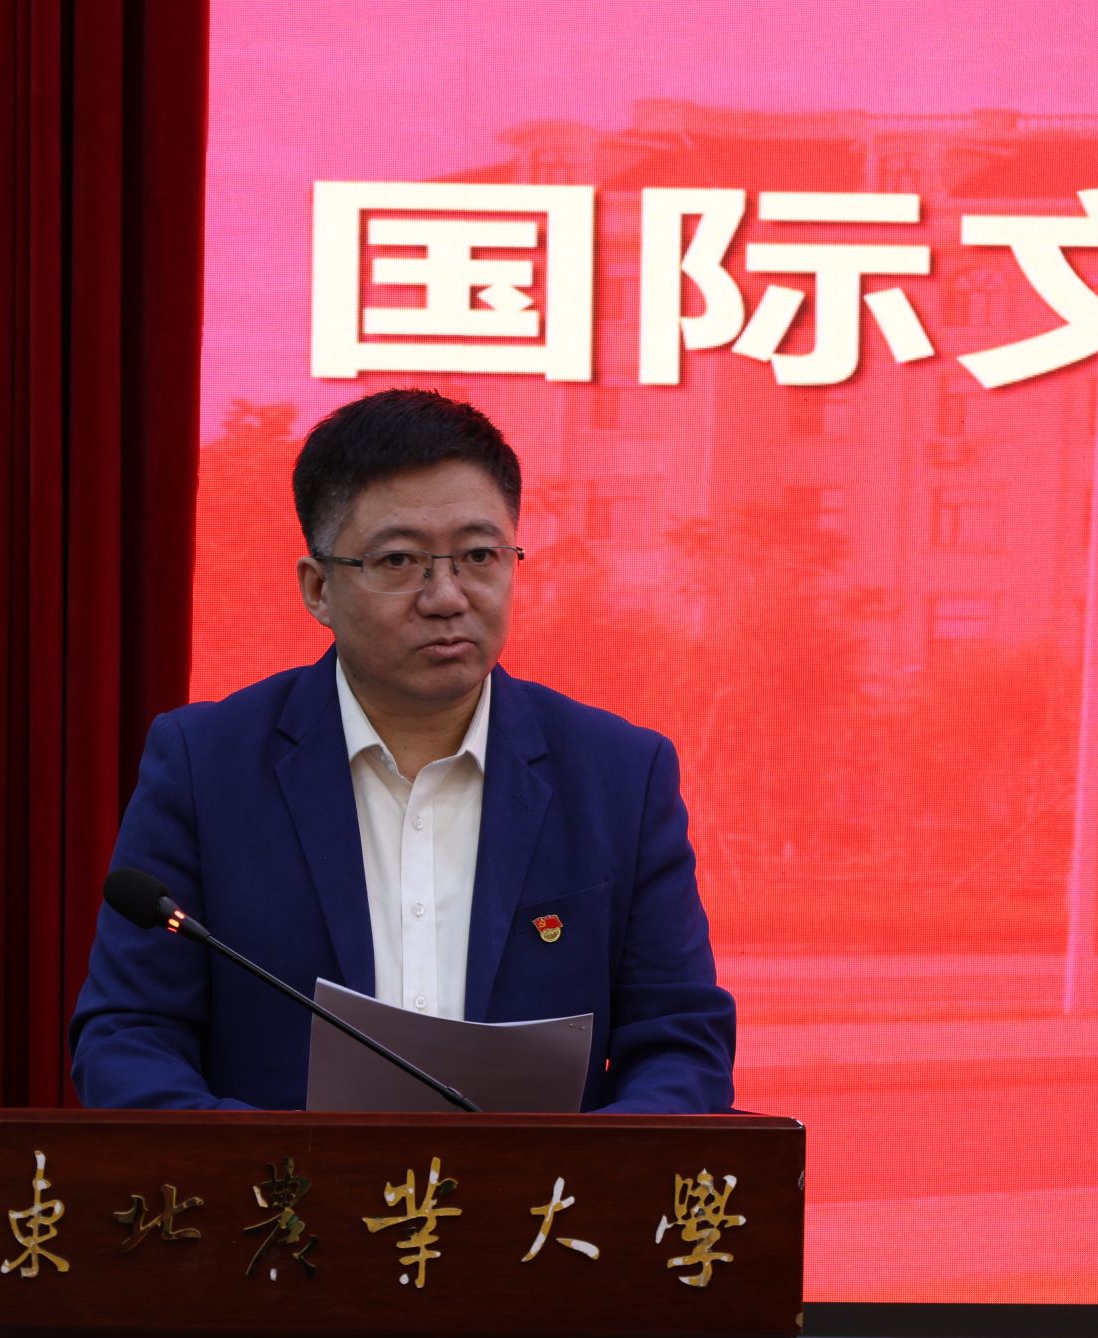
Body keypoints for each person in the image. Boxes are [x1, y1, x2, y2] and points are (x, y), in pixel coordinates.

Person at [69, 388, 734, 1111]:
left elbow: (680, 1042)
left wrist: (579, 1167)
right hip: (282, 1187)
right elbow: (129, 1036)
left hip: (542, 1189)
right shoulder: (206, 767)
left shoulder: (619, 775)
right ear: (318, 588)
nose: (447, 595)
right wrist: (275, 1167)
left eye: (479, 555)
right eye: (398, 560)